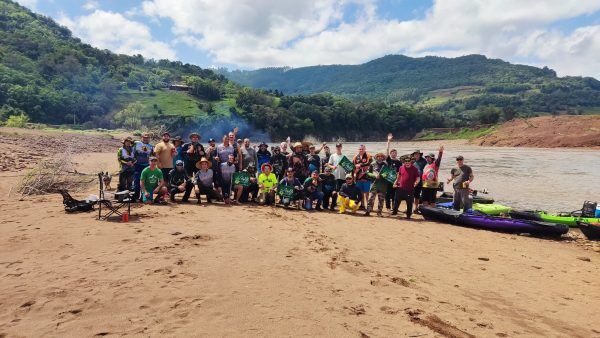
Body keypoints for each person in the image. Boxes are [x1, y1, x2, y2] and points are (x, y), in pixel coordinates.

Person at [365, 152, 389, 217]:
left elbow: (387, 173)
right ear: (376, 157)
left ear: (383, 158)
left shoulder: (385, 164)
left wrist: (381, 175)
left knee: (381, 199)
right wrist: (374, 175)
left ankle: (379, 212)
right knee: (371, 198)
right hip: (374, 184)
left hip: (382, 185)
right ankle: (368, 211)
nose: (380, 157)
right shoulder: (372, 164)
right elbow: (368, 172)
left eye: (381, 156)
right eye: (378, 156)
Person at [133, 132, 154, 201]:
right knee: (136, 181)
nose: (146, 139)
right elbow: (130, 152)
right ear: (141, 137)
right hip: (137, 165)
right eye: (144, 137)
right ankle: (136, 196)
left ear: (149, 139)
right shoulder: (136, 143)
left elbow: (152, 157)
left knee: (145, 181)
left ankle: (143, 197)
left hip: (146, 166)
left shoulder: (151, 147)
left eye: (147, 138)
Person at [385, 133, 402, 211]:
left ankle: (394, 208)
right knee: (387, 194)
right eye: (392, 153)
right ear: (390, 154)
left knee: (395, 195)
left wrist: (398, 181)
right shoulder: (389, 160)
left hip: (396, 180)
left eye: (395, 153)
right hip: (388, 179)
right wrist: (388, 141)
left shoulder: (399, 162)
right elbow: (387, 150)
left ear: (396, 154)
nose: (393, 154)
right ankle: (388, 207)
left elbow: (400, 172)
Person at [353, 144, 372, 209]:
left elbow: (369, 163)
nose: (361, 150)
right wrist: (354, 176)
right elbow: (353, 166)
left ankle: (369, 206)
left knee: (367, 193)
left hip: (367, 178)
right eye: (360, 149)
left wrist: (360, 165)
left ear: (365, 149)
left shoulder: (368, 156)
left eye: (362, 149)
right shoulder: (355, 157)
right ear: (358, 149)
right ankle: (362, 205)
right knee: (360, 192)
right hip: (358, 178)